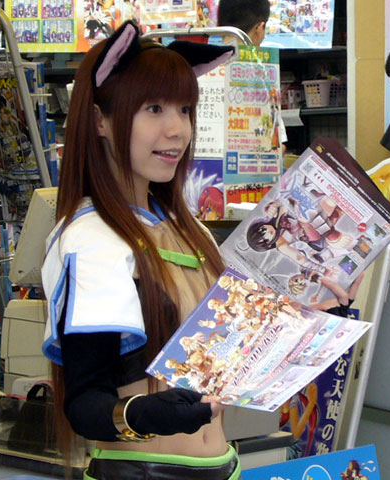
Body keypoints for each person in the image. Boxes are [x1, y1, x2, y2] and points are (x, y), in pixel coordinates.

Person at [40, 20, 240, 479]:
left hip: (224, 467)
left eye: (184, 110)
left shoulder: (190, 230)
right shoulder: (92, 240)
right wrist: (142, 414)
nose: (177, 130)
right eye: (154, 109)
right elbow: (84, 402)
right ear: (100, 120)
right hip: (140, 472)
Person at [217, 0, 288, 151]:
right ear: (260, 28)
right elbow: (277, 147)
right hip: (252, 163)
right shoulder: (264, 76)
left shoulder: (199, 68)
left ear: (218, 25)